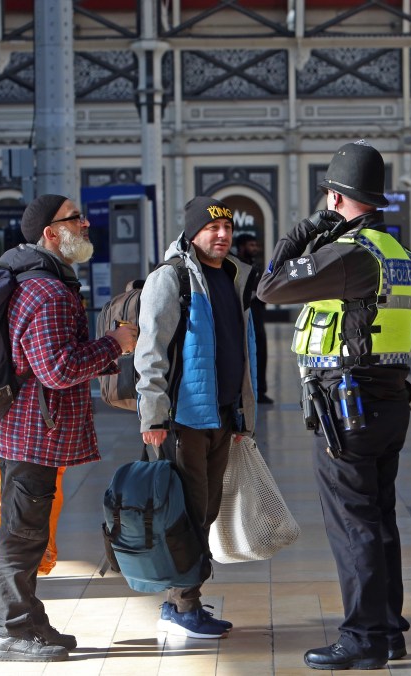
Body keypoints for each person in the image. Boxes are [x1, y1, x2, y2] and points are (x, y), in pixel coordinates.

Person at [257, 140, 411, 671]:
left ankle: (364, 636)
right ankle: (389, 630)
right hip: (387, 398)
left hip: (348, 407)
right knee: (378, 517)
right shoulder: (393, 250)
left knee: (353, 522)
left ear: (335, 196)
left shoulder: (348, 255)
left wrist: (303, 231)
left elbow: (270, 287)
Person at [0, 194, 137, 662]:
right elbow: (57, 369)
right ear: (51, 234)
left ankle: (28, 619)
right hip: (33, 431)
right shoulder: (47, 292)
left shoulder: (41, 281)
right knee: (23, 532)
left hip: (24, 428)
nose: (86, 223)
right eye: (75, 219)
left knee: (26, 528)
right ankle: (12, 629)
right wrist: (114, 343)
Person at [133, 196, 258, 639]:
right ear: (192, 233)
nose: (222, 235)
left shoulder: (233, 276)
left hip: (221, 415)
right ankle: (182, 605)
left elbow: (240, 350)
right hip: (182, 419)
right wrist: (153, 414)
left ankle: (182, 602)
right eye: (212, 229)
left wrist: (243, 413)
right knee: (185, 513)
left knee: (202, 511)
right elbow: (150, 351)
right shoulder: (171, 279)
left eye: (226, 228)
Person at [234, 232, 274, 404]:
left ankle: (260, 391)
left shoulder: (255, 266)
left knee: (260, 353)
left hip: (257, 316)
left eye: (255, 245)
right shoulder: (235, 266)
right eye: (251, 245)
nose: (255, 249)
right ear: (241, 247)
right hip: (241, 317)